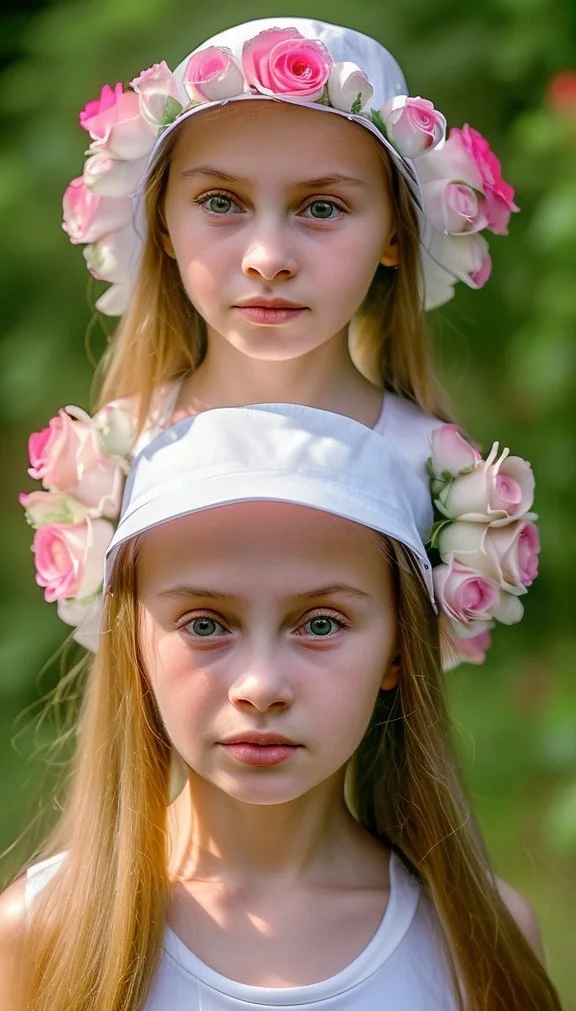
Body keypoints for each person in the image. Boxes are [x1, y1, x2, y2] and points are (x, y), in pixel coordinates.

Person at [0, 403, 564, 1011]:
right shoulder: (43, 932)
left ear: (399, 648)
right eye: (206, 624)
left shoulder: (479, 940)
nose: (261, 685)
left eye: (321, 624)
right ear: (133, 644)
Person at [30, 15, 520, 656]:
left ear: (396, 234)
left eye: (322, 207)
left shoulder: (440, 479)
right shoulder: (116, 465)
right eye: (221, 201)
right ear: (165, 223)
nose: (267, 257)